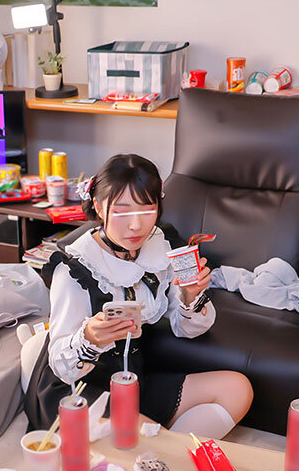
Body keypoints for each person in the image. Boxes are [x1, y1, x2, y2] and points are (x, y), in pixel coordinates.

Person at [25, 154, 253, 439]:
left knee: (237, 389)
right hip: (79, 392)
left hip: (132, 381)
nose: (136, 226)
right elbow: (62, 368)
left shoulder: (160, 245)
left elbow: (187, 330)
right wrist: (91, 337)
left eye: (147, 210)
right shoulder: (75, 269)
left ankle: (163, 450)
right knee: (145, 435)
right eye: (122, 212)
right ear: (99, 207)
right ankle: (163, 450)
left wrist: (189, 296)